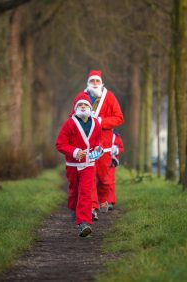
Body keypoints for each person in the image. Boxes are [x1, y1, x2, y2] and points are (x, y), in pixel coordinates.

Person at [71, 70, 124, 218]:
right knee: (89, 178)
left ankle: (102, 200)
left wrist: (101, 121)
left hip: (104, 146)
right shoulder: (81, 98)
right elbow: (72, 117)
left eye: (97, 81)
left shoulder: (110, 97)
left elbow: (119, 118)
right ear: (88, 83)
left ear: (101, 83)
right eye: (92, 81)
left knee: (104, 180)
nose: (94, 84)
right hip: (86, 146)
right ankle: (92, 208)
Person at [56, 96, 102, 237]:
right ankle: (74, 209)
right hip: (73, 164)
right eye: (80, 105)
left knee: (85, 192)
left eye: (86, 105)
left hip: (88, 164)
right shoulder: (69, 124)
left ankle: (84, 222)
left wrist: (97, 150)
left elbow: (97, 143)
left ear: (90, 108)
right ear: (75, 108)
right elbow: (60, 144)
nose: (83, 107)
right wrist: (75, 151)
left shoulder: (96, 124)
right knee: (74, 191)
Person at [107, 133, 124, 210]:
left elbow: (121, 148)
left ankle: (110, 201)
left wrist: (116, 150)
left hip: (111, 162)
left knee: (110, 182)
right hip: (99, 161)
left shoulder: (116, 137)